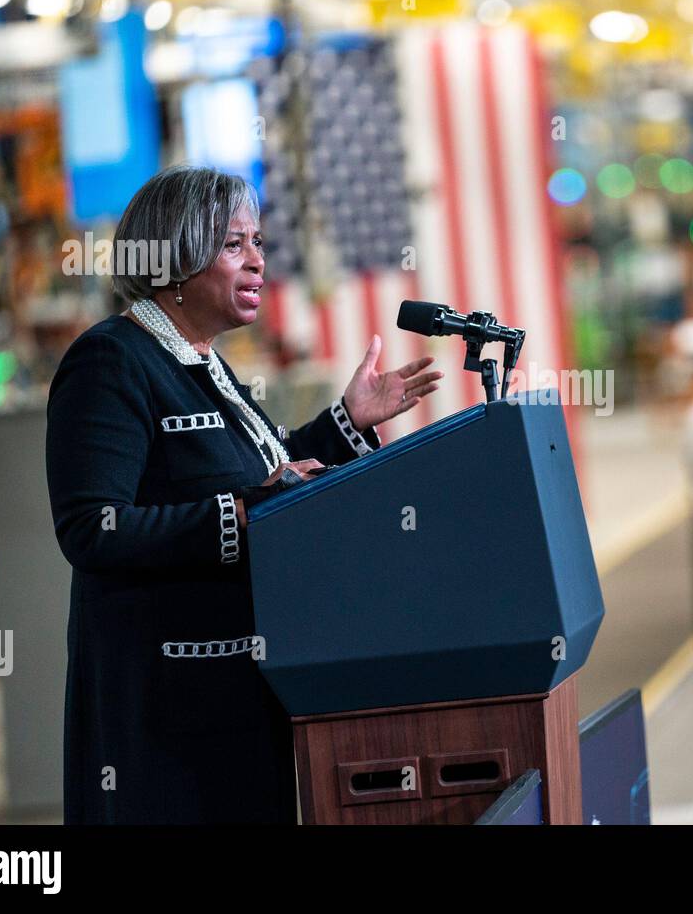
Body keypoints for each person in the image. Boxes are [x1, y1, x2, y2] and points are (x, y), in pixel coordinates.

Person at [45, 165, 441, 823]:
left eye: (257, 242)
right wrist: (240, 516)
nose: (258, 261)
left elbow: (263, 471)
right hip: (165, 728)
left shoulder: (198, 358)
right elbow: (91, 528)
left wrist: (347, 422)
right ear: (172, 258)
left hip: (235, 702)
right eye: (234, 245)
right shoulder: (111, 361)